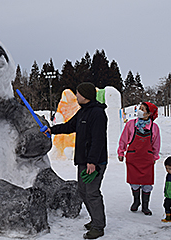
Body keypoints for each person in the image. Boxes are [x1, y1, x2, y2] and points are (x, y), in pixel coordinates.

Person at [45, 82, 108, 239]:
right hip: (82, 160)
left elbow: (98, 140)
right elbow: (69, 126)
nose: (77, 96)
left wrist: (92, 161)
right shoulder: (83, 112)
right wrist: (53, 130)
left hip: (95, 162)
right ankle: (95, 219)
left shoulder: (97, 114)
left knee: (92, 192)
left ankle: (98, 226)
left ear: (85, 96)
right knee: (83, 191)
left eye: (79, 93)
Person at [117, 102, 160, 215]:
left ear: (149, 113)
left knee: (147, 183)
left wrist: (154, 157)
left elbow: (156, 144)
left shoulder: (154, 127)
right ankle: (136, 201)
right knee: (134, 182)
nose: (139, 111)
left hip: (147, 158)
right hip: (133, 157)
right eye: (139, 108)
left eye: (142, 109)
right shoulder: (131, 124)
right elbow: (123, 139)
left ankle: (145, 206)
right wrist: (121, 152)